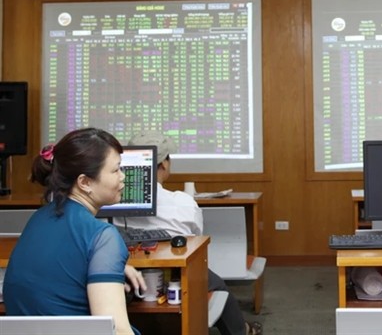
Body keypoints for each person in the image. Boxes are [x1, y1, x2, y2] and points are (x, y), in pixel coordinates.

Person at [114, 130, 262, 335]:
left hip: (123, 275)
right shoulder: (182, 202)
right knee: (217, 285)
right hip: (176, 275)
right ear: (165, 164)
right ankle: (242, 330)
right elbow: (195, 238)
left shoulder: (109, 203)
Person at [2, 128, 147, 335]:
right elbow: (118, 331)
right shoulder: (103, 237)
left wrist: (109, 265)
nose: (123, 177)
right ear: (84, 183)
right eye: (115, 170)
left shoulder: (38, 218)